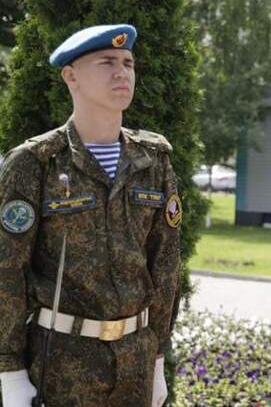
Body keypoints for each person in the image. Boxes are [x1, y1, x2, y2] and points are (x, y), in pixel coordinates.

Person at [0, 24, 182, 407]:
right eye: (107, 62)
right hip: (61, 362)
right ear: (71, 76)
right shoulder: (36, 163)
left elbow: (165, 265)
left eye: (128, 63)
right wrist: (9, 371)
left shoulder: (153, 160)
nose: (122, 72)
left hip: (135, 359)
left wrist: (157, 359)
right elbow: (7, 270)